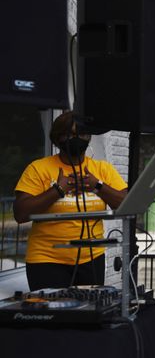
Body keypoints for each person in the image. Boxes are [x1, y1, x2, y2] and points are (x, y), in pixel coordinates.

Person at [13, 110, 128, 291]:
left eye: (82, 134)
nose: (78, 139)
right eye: (71, 134)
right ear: (58, 138)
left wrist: (97, 186)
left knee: (87, 315)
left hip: (91, 257)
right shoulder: (38, 168)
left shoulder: (101, 169)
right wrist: (57, 190)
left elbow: (126, 204)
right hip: (47, 258)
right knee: (53, 316)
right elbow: (20, 213)